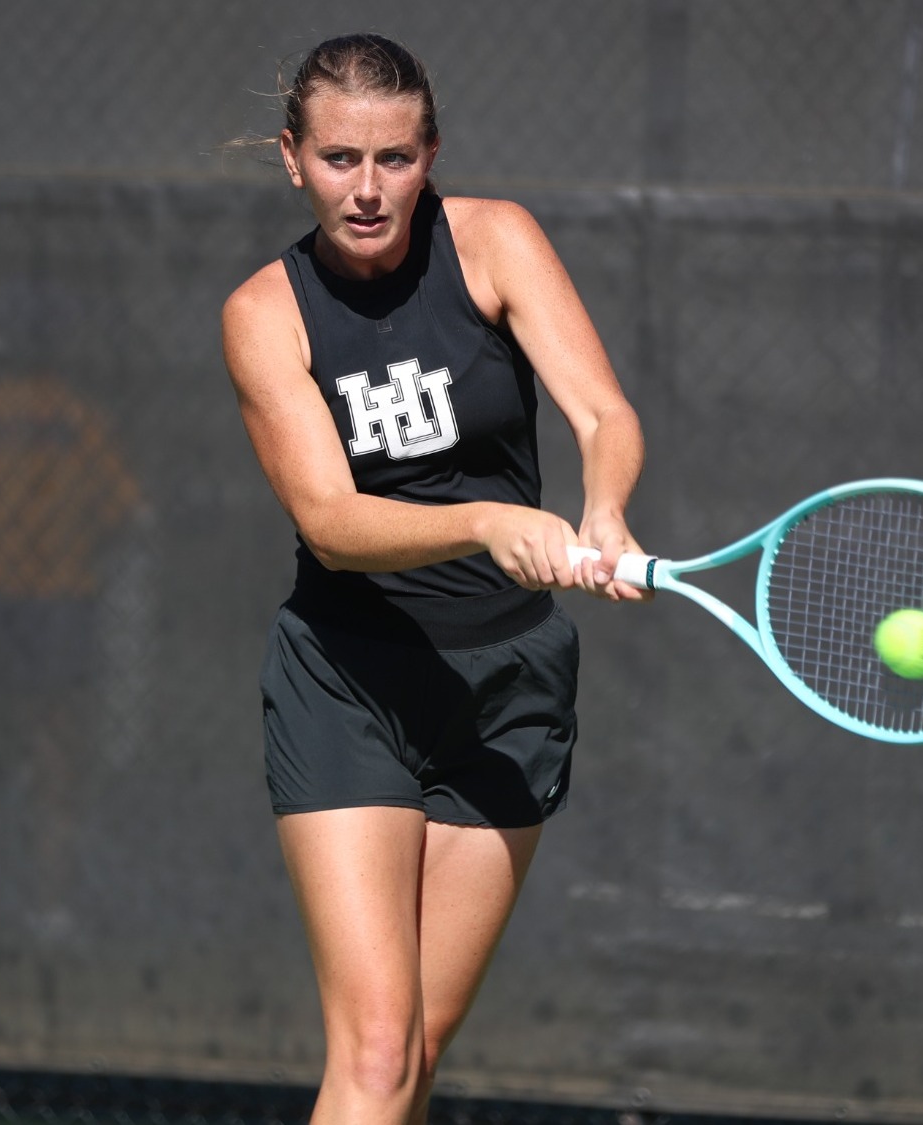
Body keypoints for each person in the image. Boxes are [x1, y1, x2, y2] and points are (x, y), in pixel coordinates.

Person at [220, 32, 648, 1125]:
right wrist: (484, 522)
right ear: (291, 158)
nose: (367, 190)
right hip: (349, 683)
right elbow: (329, 524)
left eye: (395, 160)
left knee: (412, 1055)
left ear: (430, 152)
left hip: (505, 688)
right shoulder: (263, 315)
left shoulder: (494, 242)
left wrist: (601, 510)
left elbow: (602, 414)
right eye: (339, 159)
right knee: (370, 1047)